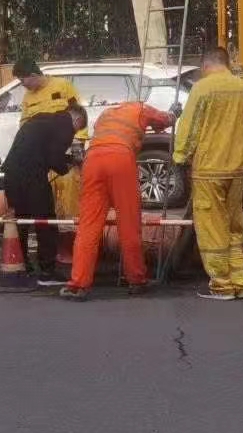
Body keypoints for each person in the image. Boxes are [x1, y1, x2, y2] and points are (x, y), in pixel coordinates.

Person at [60, 100, 176, 301]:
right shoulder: (141, 108)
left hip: (93, 160)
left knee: (88, 226)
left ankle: (78, 283)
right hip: (121, 158)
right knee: (128, 223)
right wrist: (174, 113)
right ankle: (136, 278)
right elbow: (163, 121)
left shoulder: (106, 114)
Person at [173, 47, 243, 300]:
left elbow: (189, 128)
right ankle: (242, 282)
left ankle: (222, 285)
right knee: (234, 226)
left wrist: (180, 157)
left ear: (205, 66)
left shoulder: (202, 88)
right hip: (237, 168)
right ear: (227, 63)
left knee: (212, 228)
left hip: (209, 169)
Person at [1, 105, 89, 281]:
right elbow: (54, 157)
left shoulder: (41, 118)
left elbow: (44, 151)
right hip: (32, 178)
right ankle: (47, 270)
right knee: (46, 222)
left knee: (21, 221)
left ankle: (21, 264)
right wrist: (69, 166)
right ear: (77, 120)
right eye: (77, 129)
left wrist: (65, 160)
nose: (74, 133)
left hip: (11, 175)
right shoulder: (65, 125)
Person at [13, 58, 85, 266]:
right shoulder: (28, 98)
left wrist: (78, 144)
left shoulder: (62, 86)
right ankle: (51, 253)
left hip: (63, 154)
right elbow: (24, 125)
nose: (22, 84)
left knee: (69, 201)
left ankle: (69, 247)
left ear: (34, 75)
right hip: (40, 161)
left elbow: (78, 115)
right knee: (44, 206)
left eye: (23, 79)